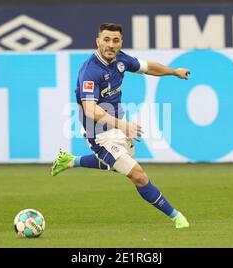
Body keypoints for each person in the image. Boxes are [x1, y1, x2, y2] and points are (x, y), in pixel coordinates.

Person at [51, 22, 190, 229]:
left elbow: (148, 67)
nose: (111, 45)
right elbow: (90, 109)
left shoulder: (121, 59)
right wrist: (122, 125)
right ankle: (176, 216)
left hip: (117, 124)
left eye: (115, 40)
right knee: (138, 175)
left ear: (121, 42)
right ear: (97, 41)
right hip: (98, 133)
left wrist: (173, 72)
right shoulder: (90, 71)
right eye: (106, 40)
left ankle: (71, 161)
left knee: (115, 163)